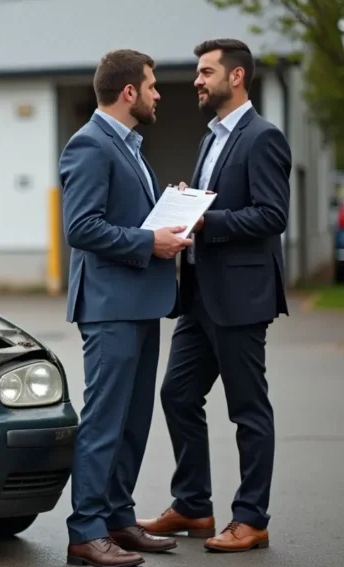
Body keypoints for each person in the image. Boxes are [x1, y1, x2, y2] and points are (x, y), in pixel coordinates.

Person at [137, 38, 291, 553]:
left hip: (242, 296)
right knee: (177, 395)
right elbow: (219, 206)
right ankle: (194, 506)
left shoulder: (263, 137)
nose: (197, 81)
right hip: (199, 293)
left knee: (248, 410)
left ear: (237, 76)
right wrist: (190, 201)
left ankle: (251, 518)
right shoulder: (211, 139)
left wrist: (208, 219)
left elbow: (273, 216)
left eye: (206, 72)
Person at [59, 49, 191, 567]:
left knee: (134, 421)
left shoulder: (130, 145)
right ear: (129, 91)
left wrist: (170, 204)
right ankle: (85, 533)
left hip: (141, 302)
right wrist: (148, 241)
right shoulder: (89, 144)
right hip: (111, 305)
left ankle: (117, 518)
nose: (159, 94)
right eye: (153, 86)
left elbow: (125, 212)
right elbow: (82, 227)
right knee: (105, 421)